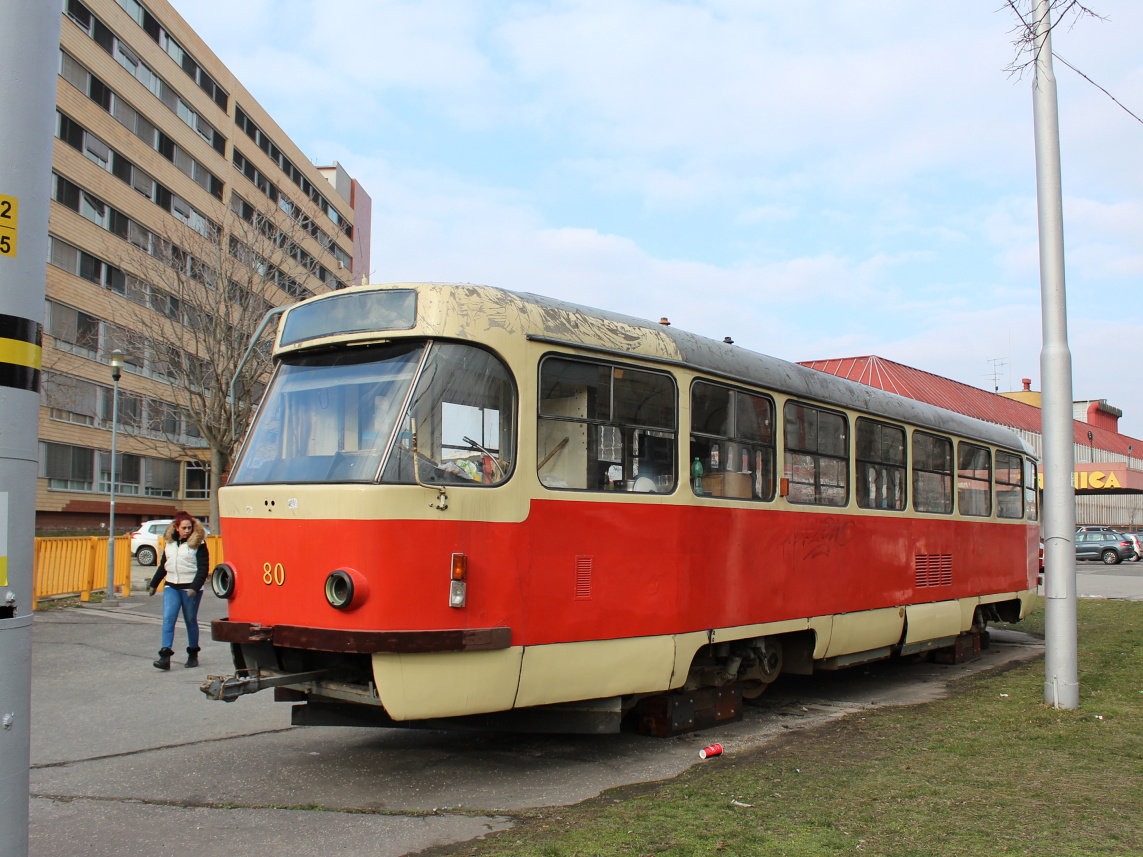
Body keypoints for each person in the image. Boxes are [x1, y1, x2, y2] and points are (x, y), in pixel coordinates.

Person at [147, 512, 208, 670]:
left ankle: (193, 654)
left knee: (190, 620)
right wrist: (154, 584)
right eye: (184, 528)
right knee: (168, 619)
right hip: (172, 586)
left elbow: (203, 568)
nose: (187, 530)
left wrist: (195, 587)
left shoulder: (199, 544)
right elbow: (163, 565)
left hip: (190, 588)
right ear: (176, 528)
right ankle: (165, 657)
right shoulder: (170, 543)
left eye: (189, 527)